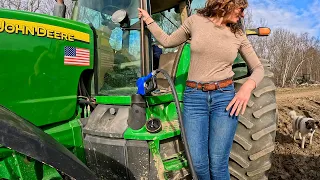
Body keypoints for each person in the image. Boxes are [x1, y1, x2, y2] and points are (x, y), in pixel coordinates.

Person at [138, 0, 264, 179]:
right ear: (226, 3)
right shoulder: (195, 21)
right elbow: (167, 41)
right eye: (241, 9)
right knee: (197, 163)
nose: (243, 15)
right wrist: (149, 20)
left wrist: (247, 87)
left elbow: (258, 68)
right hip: (194, 99)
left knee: (218, 163)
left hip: (225, 100)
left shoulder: (238, 34)